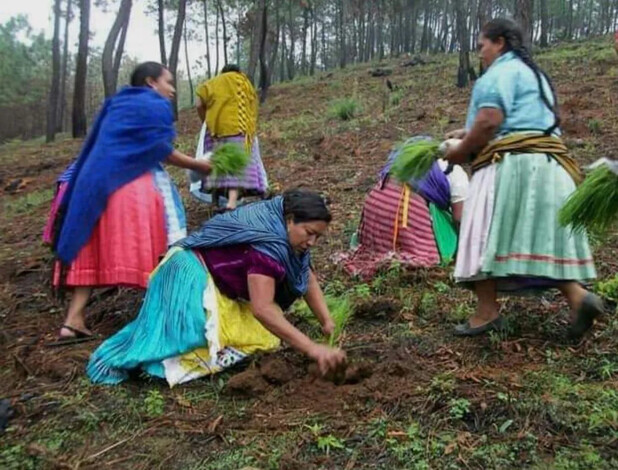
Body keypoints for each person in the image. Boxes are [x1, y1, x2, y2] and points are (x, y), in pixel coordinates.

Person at [87, 190, 347, 385]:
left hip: (223, 281)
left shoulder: (284, 228)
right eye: (309, 232)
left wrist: (326, 320)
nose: (312, 242)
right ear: (290, 219)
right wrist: (313, 349)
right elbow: (263, 308)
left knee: (262, 339)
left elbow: (306, 274)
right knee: (188, 339)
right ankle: (144, 365)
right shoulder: (269, 246)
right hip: (189, 272)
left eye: (318, 237)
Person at [444, 19, 603, 338]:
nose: (481, 55)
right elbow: (520, 122)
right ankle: (578, 296)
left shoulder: (498, 73)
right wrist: (466, 132)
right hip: (549, 167)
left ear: (499, 42)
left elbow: (490, 122)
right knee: (534, 240)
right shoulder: (536, 76)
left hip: (512, 167)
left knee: (480, 233)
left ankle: (485, 313)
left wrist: (460, 150)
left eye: (482, 46)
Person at [50, 62, 212, 342]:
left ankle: (72, 321)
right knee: (168, 242)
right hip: (129, 184)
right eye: (169, 82)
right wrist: (201, 165)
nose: (172, 90)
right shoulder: (152, 105)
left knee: (91, 250)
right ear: (151, 82)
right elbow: (162, 150)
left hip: (91, 184)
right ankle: (169, 316)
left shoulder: (116, 103)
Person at [340, 136, 469, 279]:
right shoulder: (455, 171)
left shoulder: (410, 156)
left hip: (378, 203)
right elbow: (460, 218)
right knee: (428, 255)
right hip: (405, 212)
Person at [194, 64, 268, 210]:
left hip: (215, 130)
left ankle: (215, 201)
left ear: (223, 72)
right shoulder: (244, 82)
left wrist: (206, 120)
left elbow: (198, 103)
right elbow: (253, 107)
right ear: (238, 71)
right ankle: (232, 202)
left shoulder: (213, 82)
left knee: (217, 164)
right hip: (239, 129)